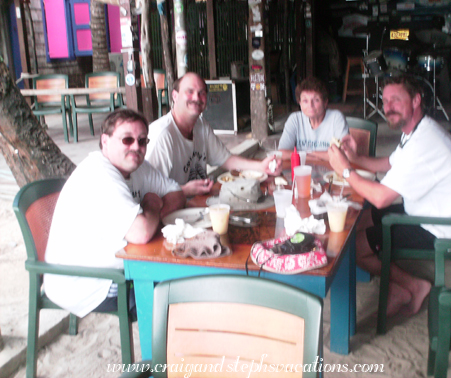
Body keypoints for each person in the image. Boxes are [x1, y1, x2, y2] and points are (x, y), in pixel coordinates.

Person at [328, 75, 451, 316]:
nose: (388, 107)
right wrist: (354, 158)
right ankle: (397, 286)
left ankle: (414, 286)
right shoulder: (417, 131)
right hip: (428, 210)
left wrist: (345, 169)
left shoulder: (424, 143)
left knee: (354, 247)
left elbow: (381, 198)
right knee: (360, 221)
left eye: (396, 100)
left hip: (440, 227)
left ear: (416, 100)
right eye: (384, 101)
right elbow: (389, 163)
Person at [44, 109, 185, 318]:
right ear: (105, 141)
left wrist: (149, 217)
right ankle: (156, 351)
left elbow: (177, 194)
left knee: (187, 280)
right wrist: (151, 207)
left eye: (142, 141)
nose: (136, 147)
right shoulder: (100, 173)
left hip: (121, 265)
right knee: (181, 297)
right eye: (127, 139)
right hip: (88, 282)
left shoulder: (138, 167)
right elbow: (141, 234)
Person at [146, 72, 283, 197]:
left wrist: (261, 167)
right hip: (170, 216)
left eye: (202, 93)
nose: (196, 97)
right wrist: (185, 190)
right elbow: (147, 190)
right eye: (190, 92)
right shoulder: (162, 136)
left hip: (198, 204)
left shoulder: (201, 125)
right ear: (174, 96)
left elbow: (227, 160)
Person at [278, 76, 349, 161]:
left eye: (316, 100)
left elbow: (343, 154)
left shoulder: (336, 118)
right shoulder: (295, 119)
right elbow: (281, 153)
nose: (310, 105)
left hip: (330, 171)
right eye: (305, 101)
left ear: (325, 102)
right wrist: (321, 156)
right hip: (302, 171)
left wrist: (307, 154)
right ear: (300, 103)